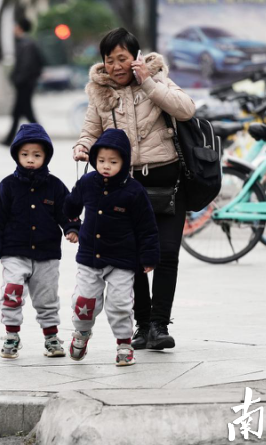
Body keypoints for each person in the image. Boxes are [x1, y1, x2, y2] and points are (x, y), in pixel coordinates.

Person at [72, 27, 195, 350]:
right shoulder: (100, 93)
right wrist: (83, 146)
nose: (115, 66)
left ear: (136, 58)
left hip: (167, 182)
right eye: (109, 60)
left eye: (122, 58)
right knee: (133, 256)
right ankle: (142, 326)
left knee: (167, 254)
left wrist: (149, 83)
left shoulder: (157, 79)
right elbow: (90, 131)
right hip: (125, 186)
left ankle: (159, 324)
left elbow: (186, 109)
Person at [64, 129, 160, 366]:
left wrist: (148, 256)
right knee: (85, 302)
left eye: (113, 162)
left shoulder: (134, 191)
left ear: (125, 162)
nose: (106, 166)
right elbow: (69, 206)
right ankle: (82, 333)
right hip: (89, 258)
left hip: (122, 260)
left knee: (120, 304)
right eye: (101, 161)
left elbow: (147, 226)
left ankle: (124, 344)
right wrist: (72, 227)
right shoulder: (87, 182)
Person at [0, 123, 79, 359]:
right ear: (16, 155)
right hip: (14, 252)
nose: (30, 160)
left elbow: (67, 211)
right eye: (25, 154)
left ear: (46, 156)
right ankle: (11, 335)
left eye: (36, 155)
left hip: (47, 254)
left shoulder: (55, 186)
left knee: (47, 298)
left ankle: (51, 337)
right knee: (12, 291)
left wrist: (72, 228)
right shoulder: (7, 186)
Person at [1, 18, 44, 146]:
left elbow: (26, 65)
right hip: (24, 84)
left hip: (25, 84)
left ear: (20, 28)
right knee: (19, 112)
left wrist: (17, 80)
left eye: (15, 26)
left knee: (26, 113)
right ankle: (9, 139)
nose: (14, 29)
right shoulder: (25, 43)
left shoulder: (26, 44)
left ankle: (41, 136)